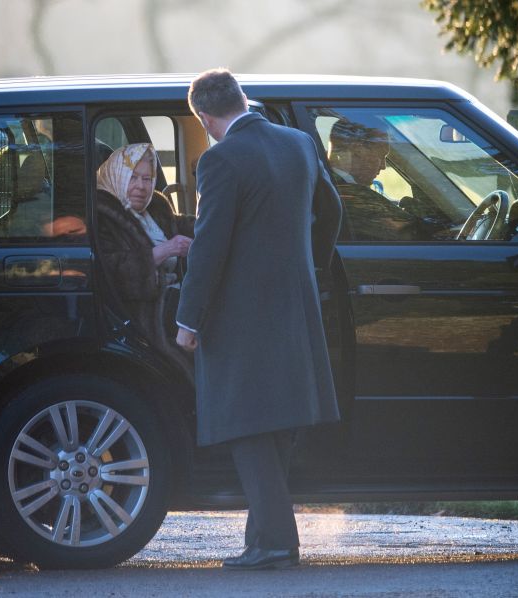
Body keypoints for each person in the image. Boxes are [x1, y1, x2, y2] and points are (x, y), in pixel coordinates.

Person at [175, 69, 342, 570]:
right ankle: (266, 537)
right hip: (297, 305)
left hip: (242, 317)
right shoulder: (297, 143)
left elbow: (209, 248)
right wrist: (309, 269)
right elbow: (330, 212)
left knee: (248, 426)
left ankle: (273, 544)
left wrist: (189, 318)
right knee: (278, 426)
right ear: (242, 100)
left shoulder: (220, 160)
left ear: (204, 117)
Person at [96, 143, 194, 366]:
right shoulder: (102, 214)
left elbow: (184, 225)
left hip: (176, 298)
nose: (141, 186)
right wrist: (166, 249)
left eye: (147, 179)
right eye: (132, 177)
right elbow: (112, 272)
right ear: (117, 175)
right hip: (146, 312)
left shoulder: (155, 207)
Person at [326, 118, 424, 241]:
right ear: (358, 150)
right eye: (381, 155)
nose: (383, 166)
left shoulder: (329, 183)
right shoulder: (350, 194)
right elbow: (403, 234)